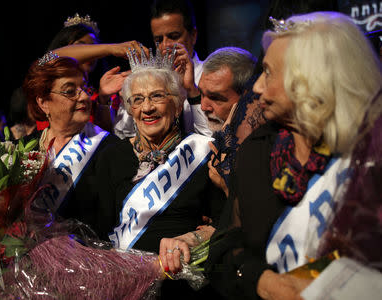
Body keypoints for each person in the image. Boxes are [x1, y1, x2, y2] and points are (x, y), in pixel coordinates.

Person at [161, 11, 381, 300]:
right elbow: (225, 249)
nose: (258, 87)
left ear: (311, 78)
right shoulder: (257, 150)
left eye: (268, 73)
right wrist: (266, 283)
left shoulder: (370, 155)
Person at [96, 47, 226, 298]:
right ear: (130, 109)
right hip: (124, 284)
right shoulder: (111, 156)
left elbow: (224, 224)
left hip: (182, 284)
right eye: (137, 99)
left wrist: (191, 239)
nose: (147, 108)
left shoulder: (200, 151)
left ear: (177, 105)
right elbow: (99, 232)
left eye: (157, 96)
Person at [21, 53, 120, 237]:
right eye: (70, 91)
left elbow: (110, 224)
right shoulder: (21, 149)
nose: (84, 97)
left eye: (84, 88)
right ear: (43, 102)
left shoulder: (110, 148)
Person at [113, 0, 211, 139]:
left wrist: (191, 90)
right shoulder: (145, 78)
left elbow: (213, 138)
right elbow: (123, 135)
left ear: (193, 35)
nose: (165, 45)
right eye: (158, 40)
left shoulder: (210, 75)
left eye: (173, 36)